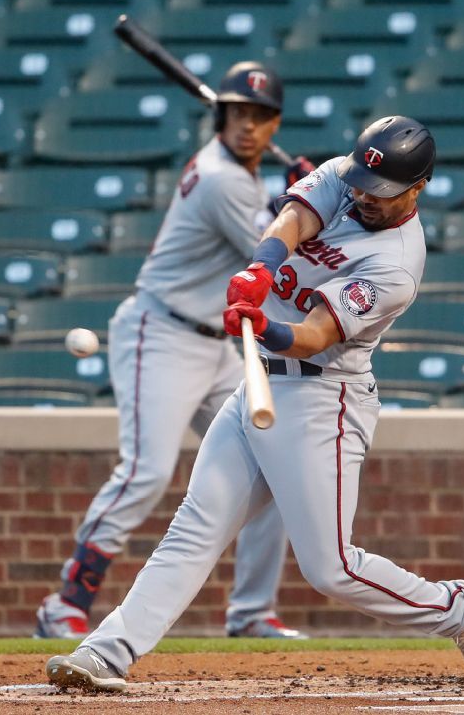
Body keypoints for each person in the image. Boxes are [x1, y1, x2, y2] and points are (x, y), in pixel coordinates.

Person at [44, 115, 464, 692]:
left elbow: (315, 334)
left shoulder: (396, 265)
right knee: (195, 526)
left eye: (381, 193)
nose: (364, 197)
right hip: (261, 382)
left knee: (331, 569)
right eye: (360, 184)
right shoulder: (349, 174)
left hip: (323, 398)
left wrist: (264, 325)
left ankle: (455, 608)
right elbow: (294, 218)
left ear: (418, 188)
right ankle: (105, 654)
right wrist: (260, 269)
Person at [35, 62, 314, 641]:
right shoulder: (223, 178)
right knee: (147, 470)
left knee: (279, 461)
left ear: (274, 123)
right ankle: (66, 602)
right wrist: (307, 202)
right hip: (159, 334)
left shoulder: (243, 177)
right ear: (221, 117)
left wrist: (299, 197)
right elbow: (278, 259)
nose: (248, 127)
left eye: (260, 118)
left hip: (218, 343)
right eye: (238, 114)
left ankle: (251, 610)